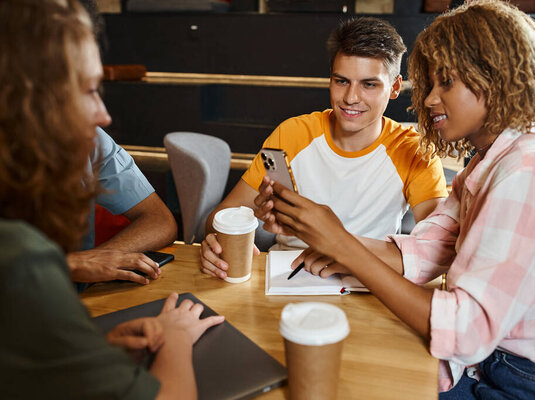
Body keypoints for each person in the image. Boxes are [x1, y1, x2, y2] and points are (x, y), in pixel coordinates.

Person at [261, 1, 535, 398]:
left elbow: (464, 332)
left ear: (495, 77)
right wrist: (331, 242)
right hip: (488, 364)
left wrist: (343, 246)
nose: (430, 100)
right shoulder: (486, 165)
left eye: (447, 83)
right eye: (430, 85)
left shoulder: (531, 171)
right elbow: (424, 250)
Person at [0, 1, 223, 398]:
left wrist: (94, 350)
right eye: (86, 91)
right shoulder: (22, 261)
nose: (103, 114)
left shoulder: (91, 145)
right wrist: (174, 338)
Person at [201, 17, 449, 280]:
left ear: (395, 87)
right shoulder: (292, 134)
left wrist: (344, 252)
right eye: (341, 81)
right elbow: (220, 217)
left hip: (371, 282)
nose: (351, 98)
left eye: (369, 84)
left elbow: (438, 251)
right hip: (289, 277)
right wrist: (217, 243)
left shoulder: (414, 150)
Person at [67, 127, 178, 290]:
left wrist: (96, 258)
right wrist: (73, 265)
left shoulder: (90, 135)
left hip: (78, 296)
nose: (104, 117)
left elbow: (160, 221)